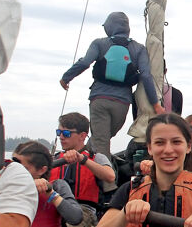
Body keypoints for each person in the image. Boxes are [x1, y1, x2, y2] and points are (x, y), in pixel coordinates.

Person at [58, 11, 165, 163]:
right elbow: (146, 76)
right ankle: (85, 163)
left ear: (109, 27)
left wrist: (66, 77)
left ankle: (107, 184)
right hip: (122, 104)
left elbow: (85, 62)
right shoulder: (138, 48)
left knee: (101, 141)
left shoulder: (100, 43)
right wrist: (155, 104)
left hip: (99, 99)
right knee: (102, 139)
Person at [51, 112, 116, 227]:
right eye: (59, 132)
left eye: (66, 134)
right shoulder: (54, 160)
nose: (61, 137)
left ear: (82, 136)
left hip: (83, 211)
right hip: (54, 208)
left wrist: (83, 160)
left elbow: (110, 176)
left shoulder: (96, 158)